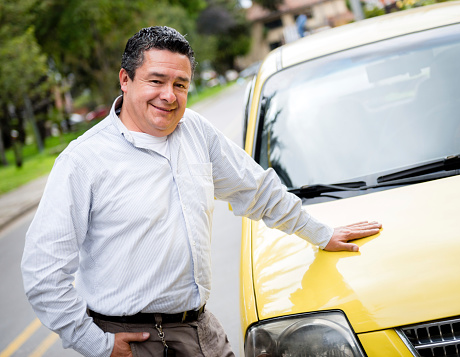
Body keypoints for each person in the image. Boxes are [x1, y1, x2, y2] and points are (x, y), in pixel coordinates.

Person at [21, 26, 382, 357]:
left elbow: (257, 191)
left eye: (180, 84)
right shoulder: (82, 162)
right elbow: (43, 272)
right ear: (125, 80)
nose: (169, 95)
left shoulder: (195, 130)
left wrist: (320, 233)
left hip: (201, 330)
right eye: (157, 81)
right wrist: (96, 345)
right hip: (129, 342)